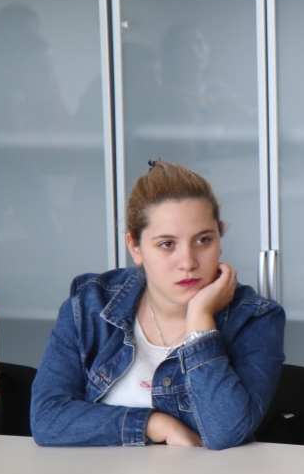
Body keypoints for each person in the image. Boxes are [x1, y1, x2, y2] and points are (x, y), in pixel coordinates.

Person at [30, 161, 283, 449]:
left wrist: (200, 320)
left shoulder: (255, 318)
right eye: (167, 244)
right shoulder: (90, 304)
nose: (188, 262)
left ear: (219, 240)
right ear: (135, 247)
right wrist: (153, 424)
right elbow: (46, 418)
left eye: (203, 240)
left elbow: (225, 432)